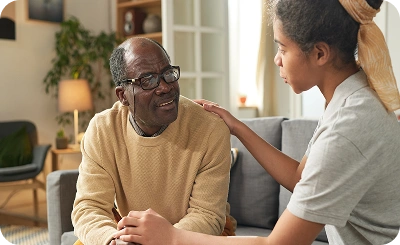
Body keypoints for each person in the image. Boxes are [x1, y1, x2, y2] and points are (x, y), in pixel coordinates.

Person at [110, 0, 400, 244]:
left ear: (320, 53)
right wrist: (237, 126)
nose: (277, 60)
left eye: (283, 49)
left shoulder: (347, 127)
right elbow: (303, 178)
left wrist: (172, 236)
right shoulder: (348, 97)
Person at [71, 37, 236, 245]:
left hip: (194, 237)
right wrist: (112, 241)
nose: (165, 87)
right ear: (123, 96)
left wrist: (161, 239)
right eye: (147, 80)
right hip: (130, 236)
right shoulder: (102, 130)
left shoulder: (210, 129)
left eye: (168, 74)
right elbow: (89, 207)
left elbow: (207, 216)